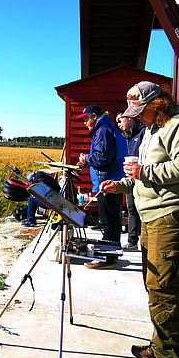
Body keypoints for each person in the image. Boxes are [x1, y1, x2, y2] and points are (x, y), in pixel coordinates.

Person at [100, 81, 179, 358]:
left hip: (171, 216)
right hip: (153, 216)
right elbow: (144, 173)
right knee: (157, 285)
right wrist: (121, 185)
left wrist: (143, 174)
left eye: (141, 110)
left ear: (157, 104)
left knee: (163, 289)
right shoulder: (152, 131)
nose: (137, 117)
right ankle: (163, 345)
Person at [75, 104, 128, 268]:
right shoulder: (107, 127)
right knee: (113, 220)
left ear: (93, 116)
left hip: (108, 182)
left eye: (86, 119)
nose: (85, 123)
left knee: (107, 221)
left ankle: (106, 259)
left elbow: (102, 157)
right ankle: (113, 253)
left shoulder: (102, 130)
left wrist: (86, 159)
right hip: (113, 180)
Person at [116, 110, 144, 250]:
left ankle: (146, 241)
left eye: (121, 120)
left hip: (143, 176)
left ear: (130, 118)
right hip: (128, 177)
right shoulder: (124, 137)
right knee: (131, 208)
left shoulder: (143, 132)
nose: (119, 124)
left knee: (143, 209)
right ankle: (132, 241)